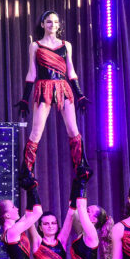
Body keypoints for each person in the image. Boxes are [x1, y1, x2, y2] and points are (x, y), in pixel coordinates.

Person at [15, 11, 89, 179]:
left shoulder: (66, 45)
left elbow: (71, 71)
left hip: (63, 87)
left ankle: (81, 167)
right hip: (44, 87)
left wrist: (80, 94)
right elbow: (32, 73)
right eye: (49, 22)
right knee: (36, 132)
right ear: (42, 24)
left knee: (73, 129)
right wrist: (25, 98)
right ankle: (27, 171)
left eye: (55, 22)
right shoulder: (35, 46)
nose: (53, 25)